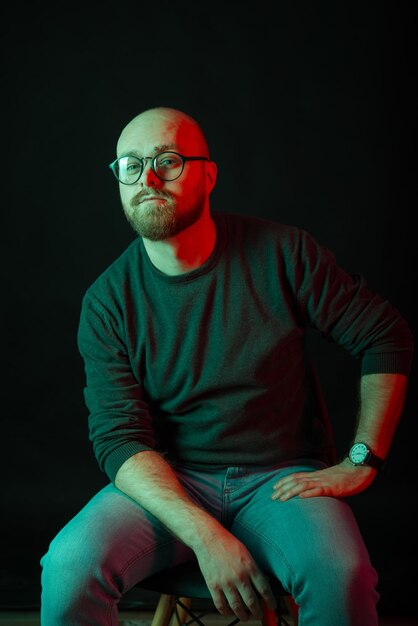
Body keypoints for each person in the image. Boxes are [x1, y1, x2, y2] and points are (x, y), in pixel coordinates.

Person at [40, 106, 413, 626]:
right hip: (171, 483)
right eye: (129, 164)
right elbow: (120, 439)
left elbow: (384, 335)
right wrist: (206, 534)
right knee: (67, 566)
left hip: (281, 480)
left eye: (167, 160)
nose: (147, 177)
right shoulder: (107, 301)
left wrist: (361, 459)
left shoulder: (283, 253)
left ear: (208, 175)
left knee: (341, 574)